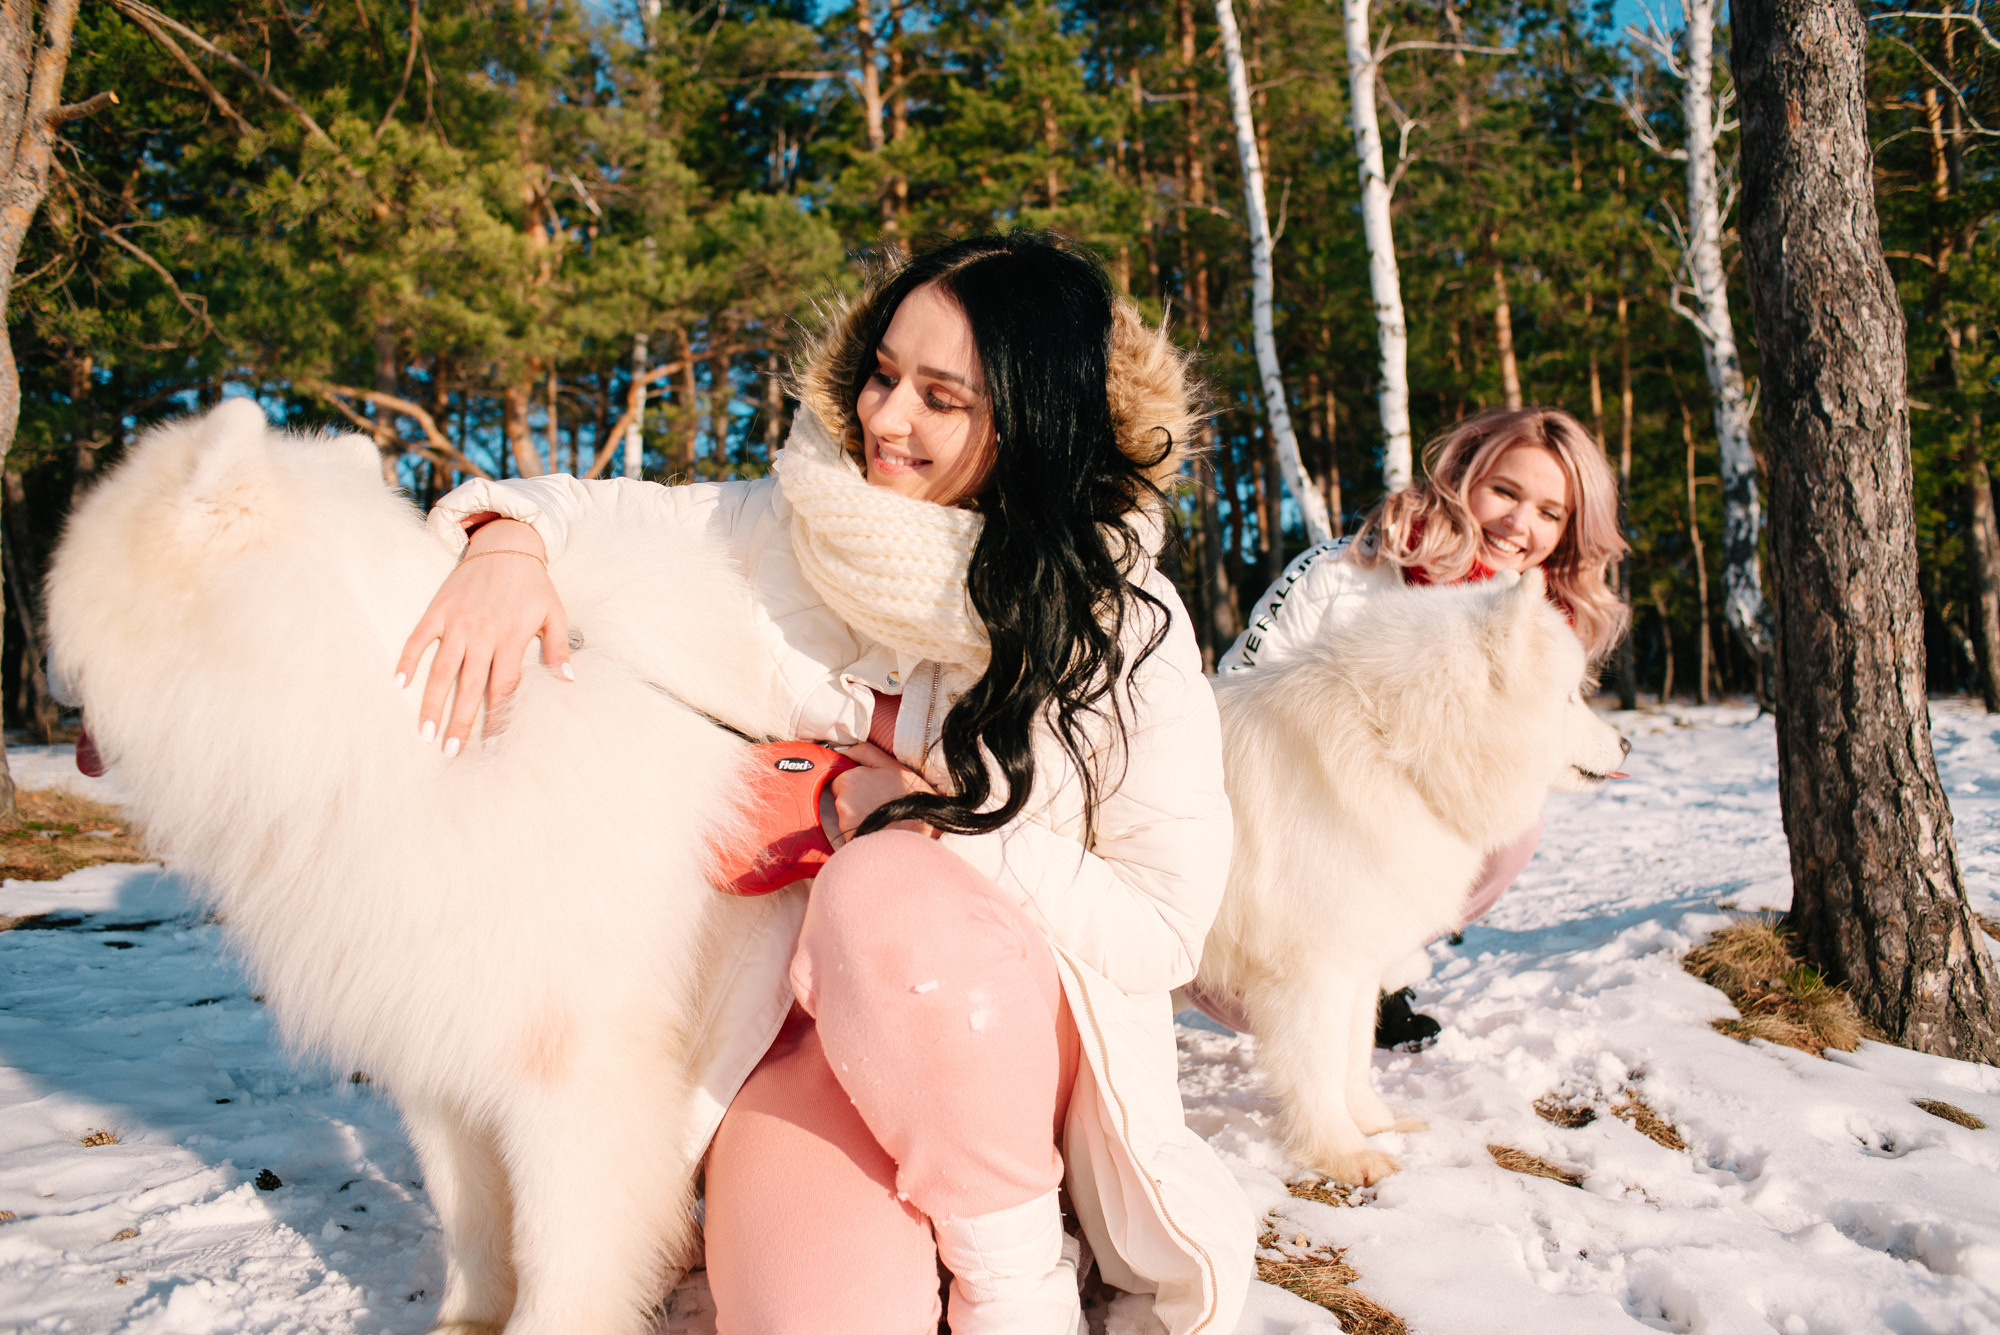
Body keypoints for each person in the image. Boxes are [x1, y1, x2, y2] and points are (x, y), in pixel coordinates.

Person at [398, 233, 1253, 1335]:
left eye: (941, 399)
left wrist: (905, 817)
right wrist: (505, 547)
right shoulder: (783, 525)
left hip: (1007, 1026)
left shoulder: (1121, 629)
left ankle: (1011, 1285)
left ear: (1036, 421)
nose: (884, 420)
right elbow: (574, 507)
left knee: (889, 888)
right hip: (798, 1034)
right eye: (882, 373)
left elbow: (1163, 927)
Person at [1212, 408, 1628, 1047]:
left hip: (1373, 862)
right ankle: (1278, 970)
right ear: (1463, 477)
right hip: (1269, 843)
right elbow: (1239, 695)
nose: (1520, 524)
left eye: (1551, 513)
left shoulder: (1530, 618)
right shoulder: (1346, 569)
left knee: (1516, 827)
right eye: (1506, 492)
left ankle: (1375, 966)